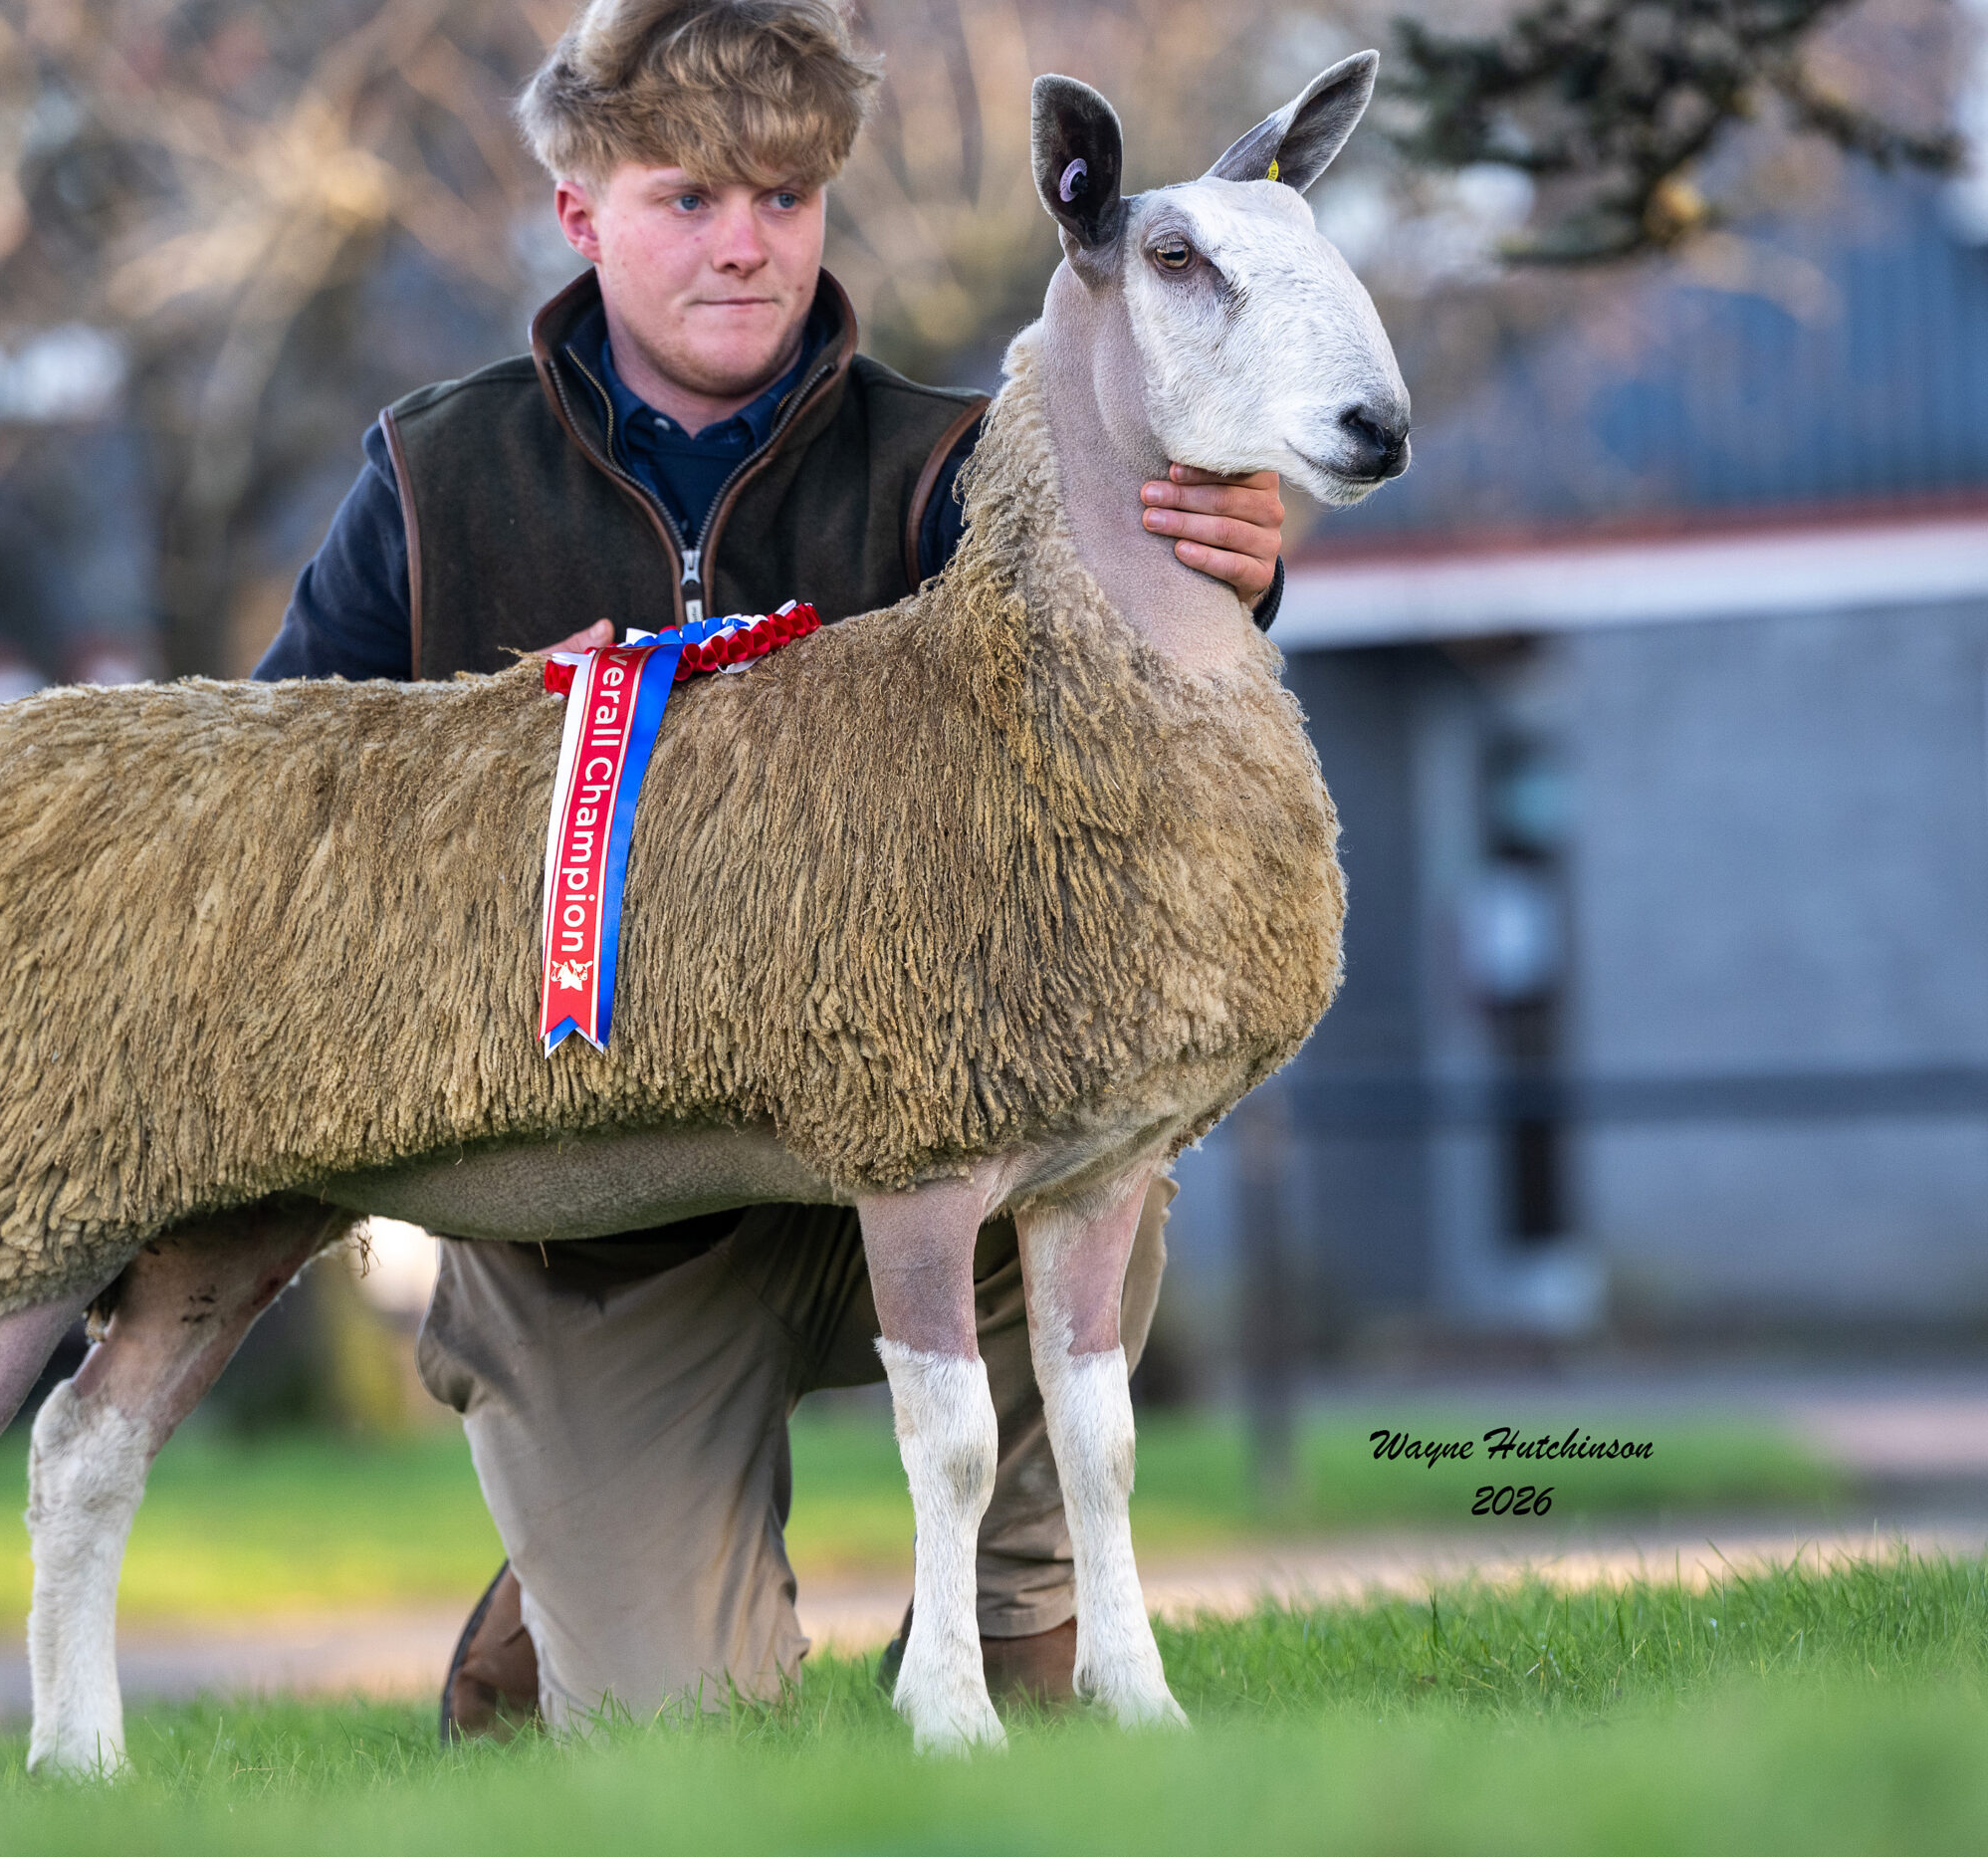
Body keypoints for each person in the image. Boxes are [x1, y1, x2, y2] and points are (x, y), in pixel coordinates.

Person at [249, 0, 1286, 1737]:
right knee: (687, 1733)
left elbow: (1127, 724)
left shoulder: (965, 462)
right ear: (578, 213)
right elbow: (282, 801)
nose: (747, 244)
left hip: (913, 1163)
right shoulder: (434, 474)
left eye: (787, 198)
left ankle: (1021, 1625)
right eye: (687, 198)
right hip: (599, 1221)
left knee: (1108, 1140)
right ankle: (584, 1554)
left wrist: (1233, 574)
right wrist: (482, 761)